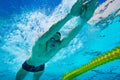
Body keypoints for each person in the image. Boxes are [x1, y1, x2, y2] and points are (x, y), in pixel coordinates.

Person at [16, 0, 98, 80]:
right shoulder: (40, 43)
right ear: (47, 40)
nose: (54, 41)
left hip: (40, 67)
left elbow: (70, 37)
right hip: (27, 65)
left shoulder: (58, 46)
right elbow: (50, 32)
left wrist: (83, 22)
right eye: (52, 38)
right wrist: (70, 15)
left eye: (57, 40)